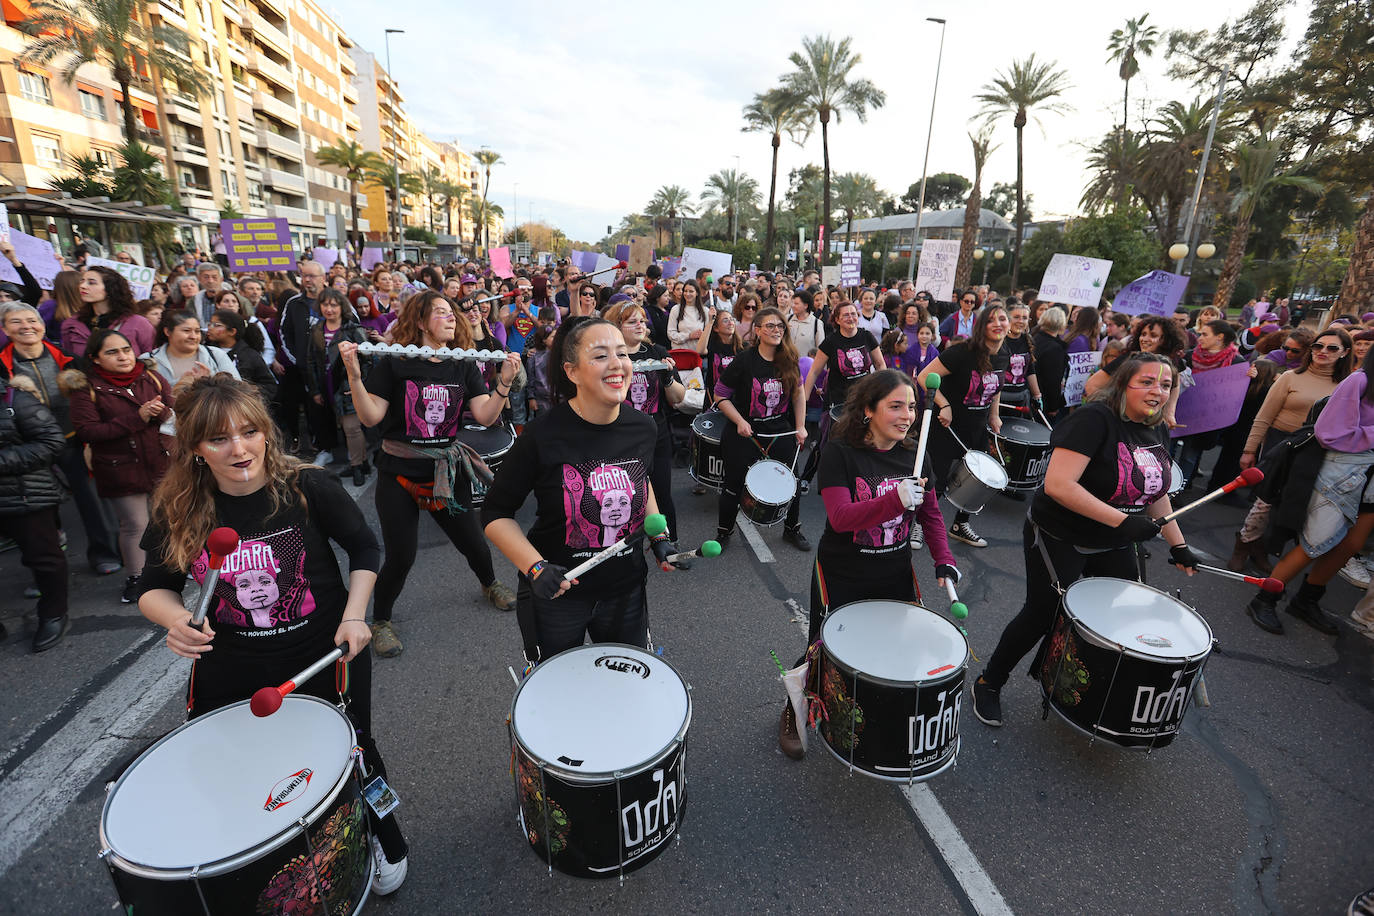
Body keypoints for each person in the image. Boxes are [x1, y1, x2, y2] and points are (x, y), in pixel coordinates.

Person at [136, 375, 409, 895]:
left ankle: (381, 831)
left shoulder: (308, 486)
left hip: (323, 653)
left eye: (248, 432)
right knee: (239, 763)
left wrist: (356, 615)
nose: (238, 449)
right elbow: (155, 588)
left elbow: (365, 548)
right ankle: (270, 856)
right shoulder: (180, 507)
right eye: (218, 439)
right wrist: (175, 620)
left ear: (266, 433)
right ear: (194, 448)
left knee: (353, 750)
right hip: (231, 664)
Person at [970, 354, 1198, 727]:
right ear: (1124, 383)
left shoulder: (1156, 427)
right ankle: (990, 681)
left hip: (1114, 538)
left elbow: (1156, 490)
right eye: (1148, 382)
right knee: (1041, 614)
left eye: (1166, 384)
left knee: (1108, 616)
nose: (1158, 390)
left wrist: (1178, 544)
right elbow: (1058, 485)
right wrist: (1124, 522)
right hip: (1060, 534)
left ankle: (1070, 686)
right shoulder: (1094, 420)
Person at [776, 370, 960, 757]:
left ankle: (876, 718)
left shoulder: (916, 453)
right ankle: (795, 709)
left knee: (894, 646)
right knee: (824, 648)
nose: (907, 415)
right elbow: (841, 517)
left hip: (894, 572)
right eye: (895, 406)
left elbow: (930, 515)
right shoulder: (840, 452)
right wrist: (894, 499)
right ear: (867, 410)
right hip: (843, 572)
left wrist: (944, 559)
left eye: (911, 406)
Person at [482, 316, 680, 663]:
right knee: (559, 700)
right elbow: (495, 513)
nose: (617, 364)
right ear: (572, 372)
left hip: (626, 591)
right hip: (558, 598)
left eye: (622, 354)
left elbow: (639, 478)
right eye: (601, 355)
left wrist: (659, 536)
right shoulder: (542, 436)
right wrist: (535, 567)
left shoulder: (643, 427)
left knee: (623, 688)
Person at [337, 290, 519, 659]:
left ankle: (490, 584)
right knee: (401, 556)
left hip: (446, 472)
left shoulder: (463, 362)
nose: (451, 317)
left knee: (473, 541)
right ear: (419, 322)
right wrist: (355, 377)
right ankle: (382, 620)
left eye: (452, 312)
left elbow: (485, 415)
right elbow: (371, 417)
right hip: (398, 474)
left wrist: (504, 383)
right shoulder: (395, 361)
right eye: (440, 313)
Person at [0, 302, 125, 576]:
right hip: (27, 447)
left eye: (32, 320)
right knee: (39, 513)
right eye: (16, 322)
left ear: (43, 326)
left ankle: (105, 553)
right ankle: (44, 572)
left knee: (93, 500)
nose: (26, 327)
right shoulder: (1, 365)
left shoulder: (68, 358)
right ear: (5, 329)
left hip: (72, 439)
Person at [1231, 327, 1351, 574]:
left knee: (1289, 506)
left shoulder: (1347, 386)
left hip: (1317, 453)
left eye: (1332, 348)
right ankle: (1243, 545)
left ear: (1344, 353)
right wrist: (1249, 450)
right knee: (1264, 502)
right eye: (1318, 346)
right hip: (1279, 445)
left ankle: (1261, 549)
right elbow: (1264, 417)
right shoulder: (1290, 377)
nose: (1322, 352)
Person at [64, 330, 172, 603]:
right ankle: (137, 577)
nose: (123, 356)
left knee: (169, 519)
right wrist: (137, 417)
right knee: (135, 524)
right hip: (119, 466)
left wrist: (164, 413)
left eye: (125, 349)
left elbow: (172, 413)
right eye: (112, 352)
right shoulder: (85, 388)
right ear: (95, 359)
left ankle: (174, 569)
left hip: (160, 460)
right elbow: (89, 432)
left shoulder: (152, 377)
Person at [714, 306, 809, 551]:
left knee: (792, 482)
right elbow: (720, 395)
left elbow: (798, 395)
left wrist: (800, 426)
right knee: (733, 485)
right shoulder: (744, 359)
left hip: (780, 431)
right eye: (770, 326)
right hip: (746, 433)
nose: (776, 330)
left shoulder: (789, 358)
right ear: (757, 330)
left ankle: (792, 529)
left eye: (780, 326)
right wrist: (740, 421)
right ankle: (723, 532)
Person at [920, 305, 1011, 548]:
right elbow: (924, 377)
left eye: (1002, 319)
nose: (998, 324)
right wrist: (944, 404)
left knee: (978, 481)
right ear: (981, 326)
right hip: (947, 425)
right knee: (935, 479)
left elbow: (995, 387)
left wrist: (995, 415)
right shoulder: (962, 353)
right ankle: (918, 525)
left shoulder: (1005, 353)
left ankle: (960, 524)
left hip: (977, 426)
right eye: (991, 320)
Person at [0, 369, 70, 650]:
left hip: (27, 497)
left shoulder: (15, 399)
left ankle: (54, 614)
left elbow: (52, 442)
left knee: (44, 559)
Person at [606, 300, 686, 540]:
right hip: (620, 435)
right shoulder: (610, 357)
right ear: (618, 326)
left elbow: (679, 398)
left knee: (662, 492)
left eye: (642, 320)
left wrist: (668, 378)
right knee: (623, 494)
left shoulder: (658, 352)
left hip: (656, 432)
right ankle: (623, 544)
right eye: (633, 322)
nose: (640, 325)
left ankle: (669, 543)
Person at [303, 290, 369, 486]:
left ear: (342, 306)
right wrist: (315, 390)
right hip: (326, 385)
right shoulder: (316, 329)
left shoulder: (352, 329)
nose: (329, 309)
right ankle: (363, 462)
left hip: (347, 384)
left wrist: (358, 384)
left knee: (352, 428)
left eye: (334, 305)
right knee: (344, 426)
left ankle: (357, 466)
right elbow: (311, 361)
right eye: (325, 305)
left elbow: (367, 360)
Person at [1174, 319, 1242, 489]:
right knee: (1167, 451)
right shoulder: (1189, 356)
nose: (1199, 338)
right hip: (1180, 412)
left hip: (1204, 419)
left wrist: (1251, 377)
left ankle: (1178, 490)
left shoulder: (1237, 363)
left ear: (1219, 337)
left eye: (1204, 334)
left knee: (1189, 456)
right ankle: (1163, 486)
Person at [60, 266, 156, 358]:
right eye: (82, 281)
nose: (82, 286)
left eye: (92, 283)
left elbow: (151, 359)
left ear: (110, 289)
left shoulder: (138, 323)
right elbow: (69, 361)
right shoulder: (72, 324)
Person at [205, 309, 276, 406]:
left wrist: (250, 399)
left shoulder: (250, 355)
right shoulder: (206, 351)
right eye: (210, 324)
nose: (210, 328)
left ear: (232, 331)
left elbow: (269, 385)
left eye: (217, 325)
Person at [999, 302, 1043, 411]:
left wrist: (1037, 395)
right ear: (1007, 319)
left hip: (1020, 398)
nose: (1020, 321)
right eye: (1016, 317)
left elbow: (1030, 370)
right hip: (999, 399)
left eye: (1024, 318)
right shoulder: (998, 340)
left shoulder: (1028, 340)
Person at [667, 279, 709, 349]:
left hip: (698, 354)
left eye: (691, 291)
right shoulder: (676, 309)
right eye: (685, 291)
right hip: (680, 353)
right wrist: (689, 336)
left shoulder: (705, 311)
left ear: (697, 293)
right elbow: (671, 334)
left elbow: (707, 335)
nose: (687, 294)